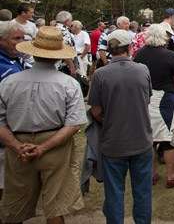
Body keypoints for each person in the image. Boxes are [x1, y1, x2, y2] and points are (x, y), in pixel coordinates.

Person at [0, 26, 86, 223]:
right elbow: (74, 124)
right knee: (55, 205)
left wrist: (16, 146)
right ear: (58, 55)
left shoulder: (9, 82)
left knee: (15, 202)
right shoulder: (68, 84)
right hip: (55, 143)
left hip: (17, 142)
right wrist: (42, 147)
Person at [88, 29, 153, 224]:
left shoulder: (100, 74)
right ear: (130, 48)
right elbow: (146, 99)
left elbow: (96, 111)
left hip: (113, 142)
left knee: (114, 192)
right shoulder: (143, 69)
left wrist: (110, 120)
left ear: (109, 50)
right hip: (141, 140)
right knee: (142, 192)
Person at [134, 24, 174, 189]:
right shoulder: (170, 55)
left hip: (145, 99)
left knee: (149, 138)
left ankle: (151, 174)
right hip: (164, 99)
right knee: (168, 138)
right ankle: (171, 176)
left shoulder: (139, 54)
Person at [0, 21, 25, 198]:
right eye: (16, 38)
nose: (21, 42)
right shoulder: (4, 67)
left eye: (23, 38)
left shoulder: (15, 60)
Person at [55, 10, 77, 76]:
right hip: (62, 66)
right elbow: (64, 49)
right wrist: (71, 66)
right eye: (71, 20)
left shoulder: (54, 28)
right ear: (66, 21)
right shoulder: (63, 31)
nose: (72, 23)